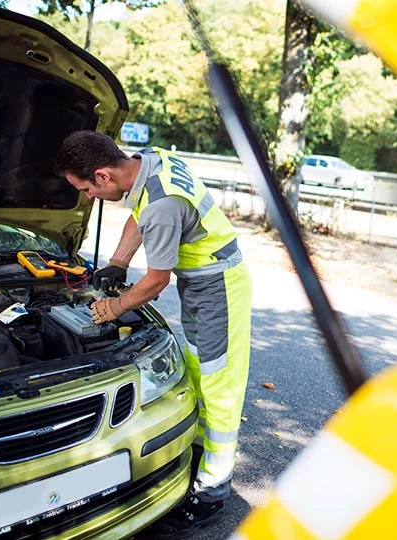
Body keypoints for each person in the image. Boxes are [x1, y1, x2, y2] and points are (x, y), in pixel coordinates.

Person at [55, 130, 252, 537]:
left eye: (87, 189)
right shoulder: (150, 160)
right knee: (200, 372)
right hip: (201, 282)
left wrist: (111, 307)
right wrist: (118, 262)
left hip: (219, 286)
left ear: (103, 175)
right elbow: (138, 215)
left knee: (220, 385)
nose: (89, 197)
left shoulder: (164, 206)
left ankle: (213, 490)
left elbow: (155, 282)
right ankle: (197, 455)